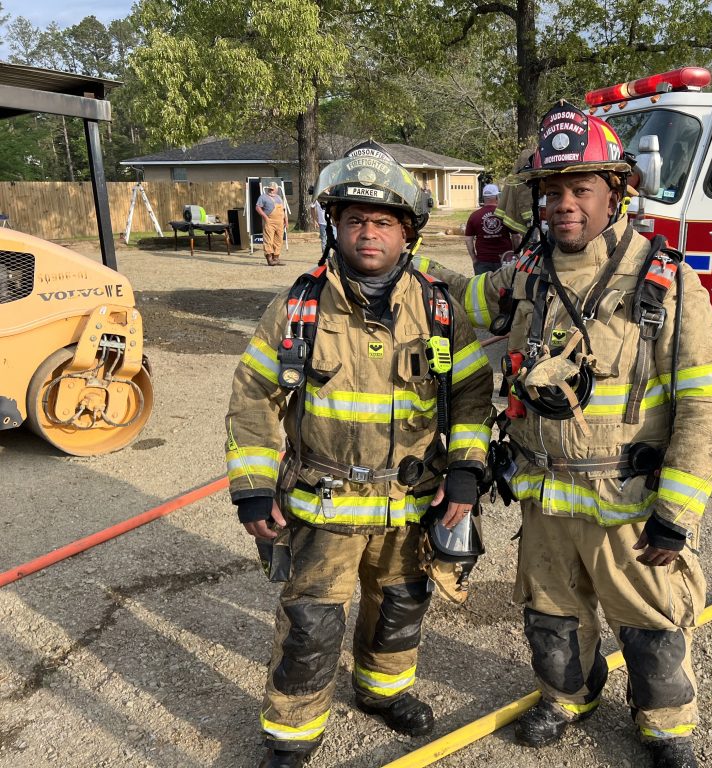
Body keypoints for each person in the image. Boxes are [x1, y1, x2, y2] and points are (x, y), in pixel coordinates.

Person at [418, 102, 712, 768]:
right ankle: (568, 699)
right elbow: (459, 300)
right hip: (547, 505)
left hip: (631, 510)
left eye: (580, 188)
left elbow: (706, 409)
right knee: (551, 625)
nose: (564, 204)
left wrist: (676, 516)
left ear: (615, 193)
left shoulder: (668, 283)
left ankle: (666, 725)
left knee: (652, 634)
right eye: (551, 191)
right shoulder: (526, 276)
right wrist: (397, 247)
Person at [225, 140, 493, 768]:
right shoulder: (297, 308)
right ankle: (291, 737)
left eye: (383, 222)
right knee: (312, 624)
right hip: (325, 506)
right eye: (355, 220)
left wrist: (465, 470)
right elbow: (253, 395)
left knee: (400, 605)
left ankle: (382, 692)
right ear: (335, 227)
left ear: (408, 234)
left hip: (410, 501)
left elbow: (475, 391)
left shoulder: (438, 309)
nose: (368, 234)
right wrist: (254, 487)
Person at [464, 183, 514, 274]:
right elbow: (517, 236)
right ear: (497, 197)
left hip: (483, 261)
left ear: (484, 197)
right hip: (505, 260)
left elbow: (468, 240)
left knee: (482, 287)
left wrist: (474, 258)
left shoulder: (474, 216)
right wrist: (515, 254)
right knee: (505, 287)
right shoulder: (506, 215)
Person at [256, 182, 287, 266]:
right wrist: (265, 217)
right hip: (270, 221)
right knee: (268, 240)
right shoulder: (263, 197)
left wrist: (286, 220)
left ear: (276, 189)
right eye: (270, 189)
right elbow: (258, 207)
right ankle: (270, 260)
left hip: (280, 222)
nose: (271, 190)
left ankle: (276, 259)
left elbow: (283, 210)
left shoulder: (279, 198)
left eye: (273, 189)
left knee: (279, 240)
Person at [307, 184, 328, 254]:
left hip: (332, 222)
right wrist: (314, 220)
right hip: (322, 223)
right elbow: (312, 208)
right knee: (324, 240)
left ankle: (336, 257)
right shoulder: (315, 198)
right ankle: (326, 257)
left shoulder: (330, 196)